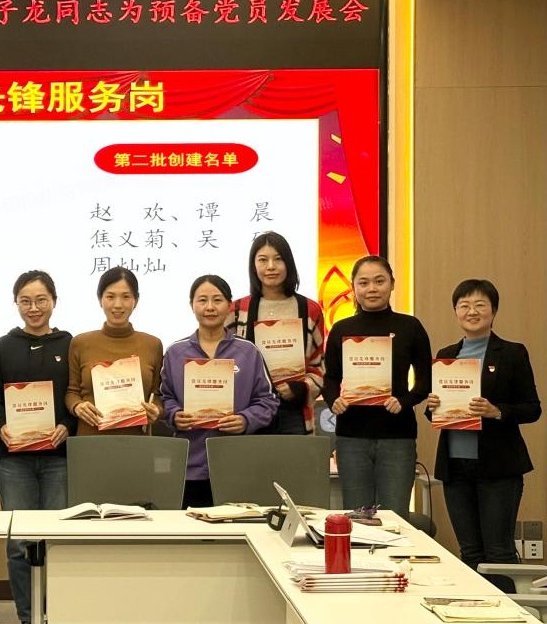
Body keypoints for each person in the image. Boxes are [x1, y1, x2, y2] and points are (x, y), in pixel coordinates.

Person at [425, 279, 540, 592]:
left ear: (493, 310)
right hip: (455, 467)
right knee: (470, 552)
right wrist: (432, 406)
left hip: (498, 467)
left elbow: (532, 408)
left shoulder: (512, 353)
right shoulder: (447, 355)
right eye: (464, 305)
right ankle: (474, 608)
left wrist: (496, 411)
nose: (471, 311)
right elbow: (437, 413)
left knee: (498, 551)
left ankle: (509, 611)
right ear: (456, 311)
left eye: (480, 305)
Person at [0, 271, 75, 624]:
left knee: (55, 539)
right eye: (25, 301)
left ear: (54, 301)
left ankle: (54, 613)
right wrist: (0, 427)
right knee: (19, 543)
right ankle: (27, 616)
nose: (33, 308)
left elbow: (78, 394)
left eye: (40, 300)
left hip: (58, 458)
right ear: (16, 304)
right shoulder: (3, 346)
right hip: (15, 461)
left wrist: (67, 426)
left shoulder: (70, 344)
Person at [321, 256, 432, 519]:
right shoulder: (341, 329)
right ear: (353, 288)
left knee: (395, 517)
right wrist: (334, 400)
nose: (372, 288)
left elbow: (426, 379)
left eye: (379, 281)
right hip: (352, 436)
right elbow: (330, 378)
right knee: (358, 517)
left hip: (397, 435)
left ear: (392, 284)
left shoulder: (410, 327)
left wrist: (404, 401)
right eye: (364, 282)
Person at [160, 274, 279, 508]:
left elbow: (268, 400)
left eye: (217, 300)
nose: (210, 307)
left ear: (229, 305)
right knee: (190, 528)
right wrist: (174, 415)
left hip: (236, 463)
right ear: (192, 305)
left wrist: (246, 420)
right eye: (202, 300)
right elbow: (164, 397)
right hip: (189, 465)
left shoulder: (248, 351)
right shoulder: (175, 352)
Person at [228, 231, 325, 434]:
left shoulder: (310, 309)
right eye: (263, 260)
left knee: (294, 456)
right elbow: (224, 360)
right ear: (253, 266)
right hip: (248, 413)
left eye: (278, 259)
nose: (271, 266)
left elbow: (319, 366)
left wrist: (300, 389)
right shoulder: (236, 310)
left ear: (289, 263)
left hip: (294, 414)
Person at [65, 267, 162, 436]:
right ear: (100, 299)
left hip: (137, 440)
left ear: (136, 300)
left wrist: (157, 410)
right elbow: (72, 392)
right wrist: (77, 406)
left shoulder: (152, 344)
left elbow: (157, 395)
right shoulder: (80, 343)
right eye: (110, 296)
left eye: (126, 297)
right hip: (91, 439)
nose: (118, 304)